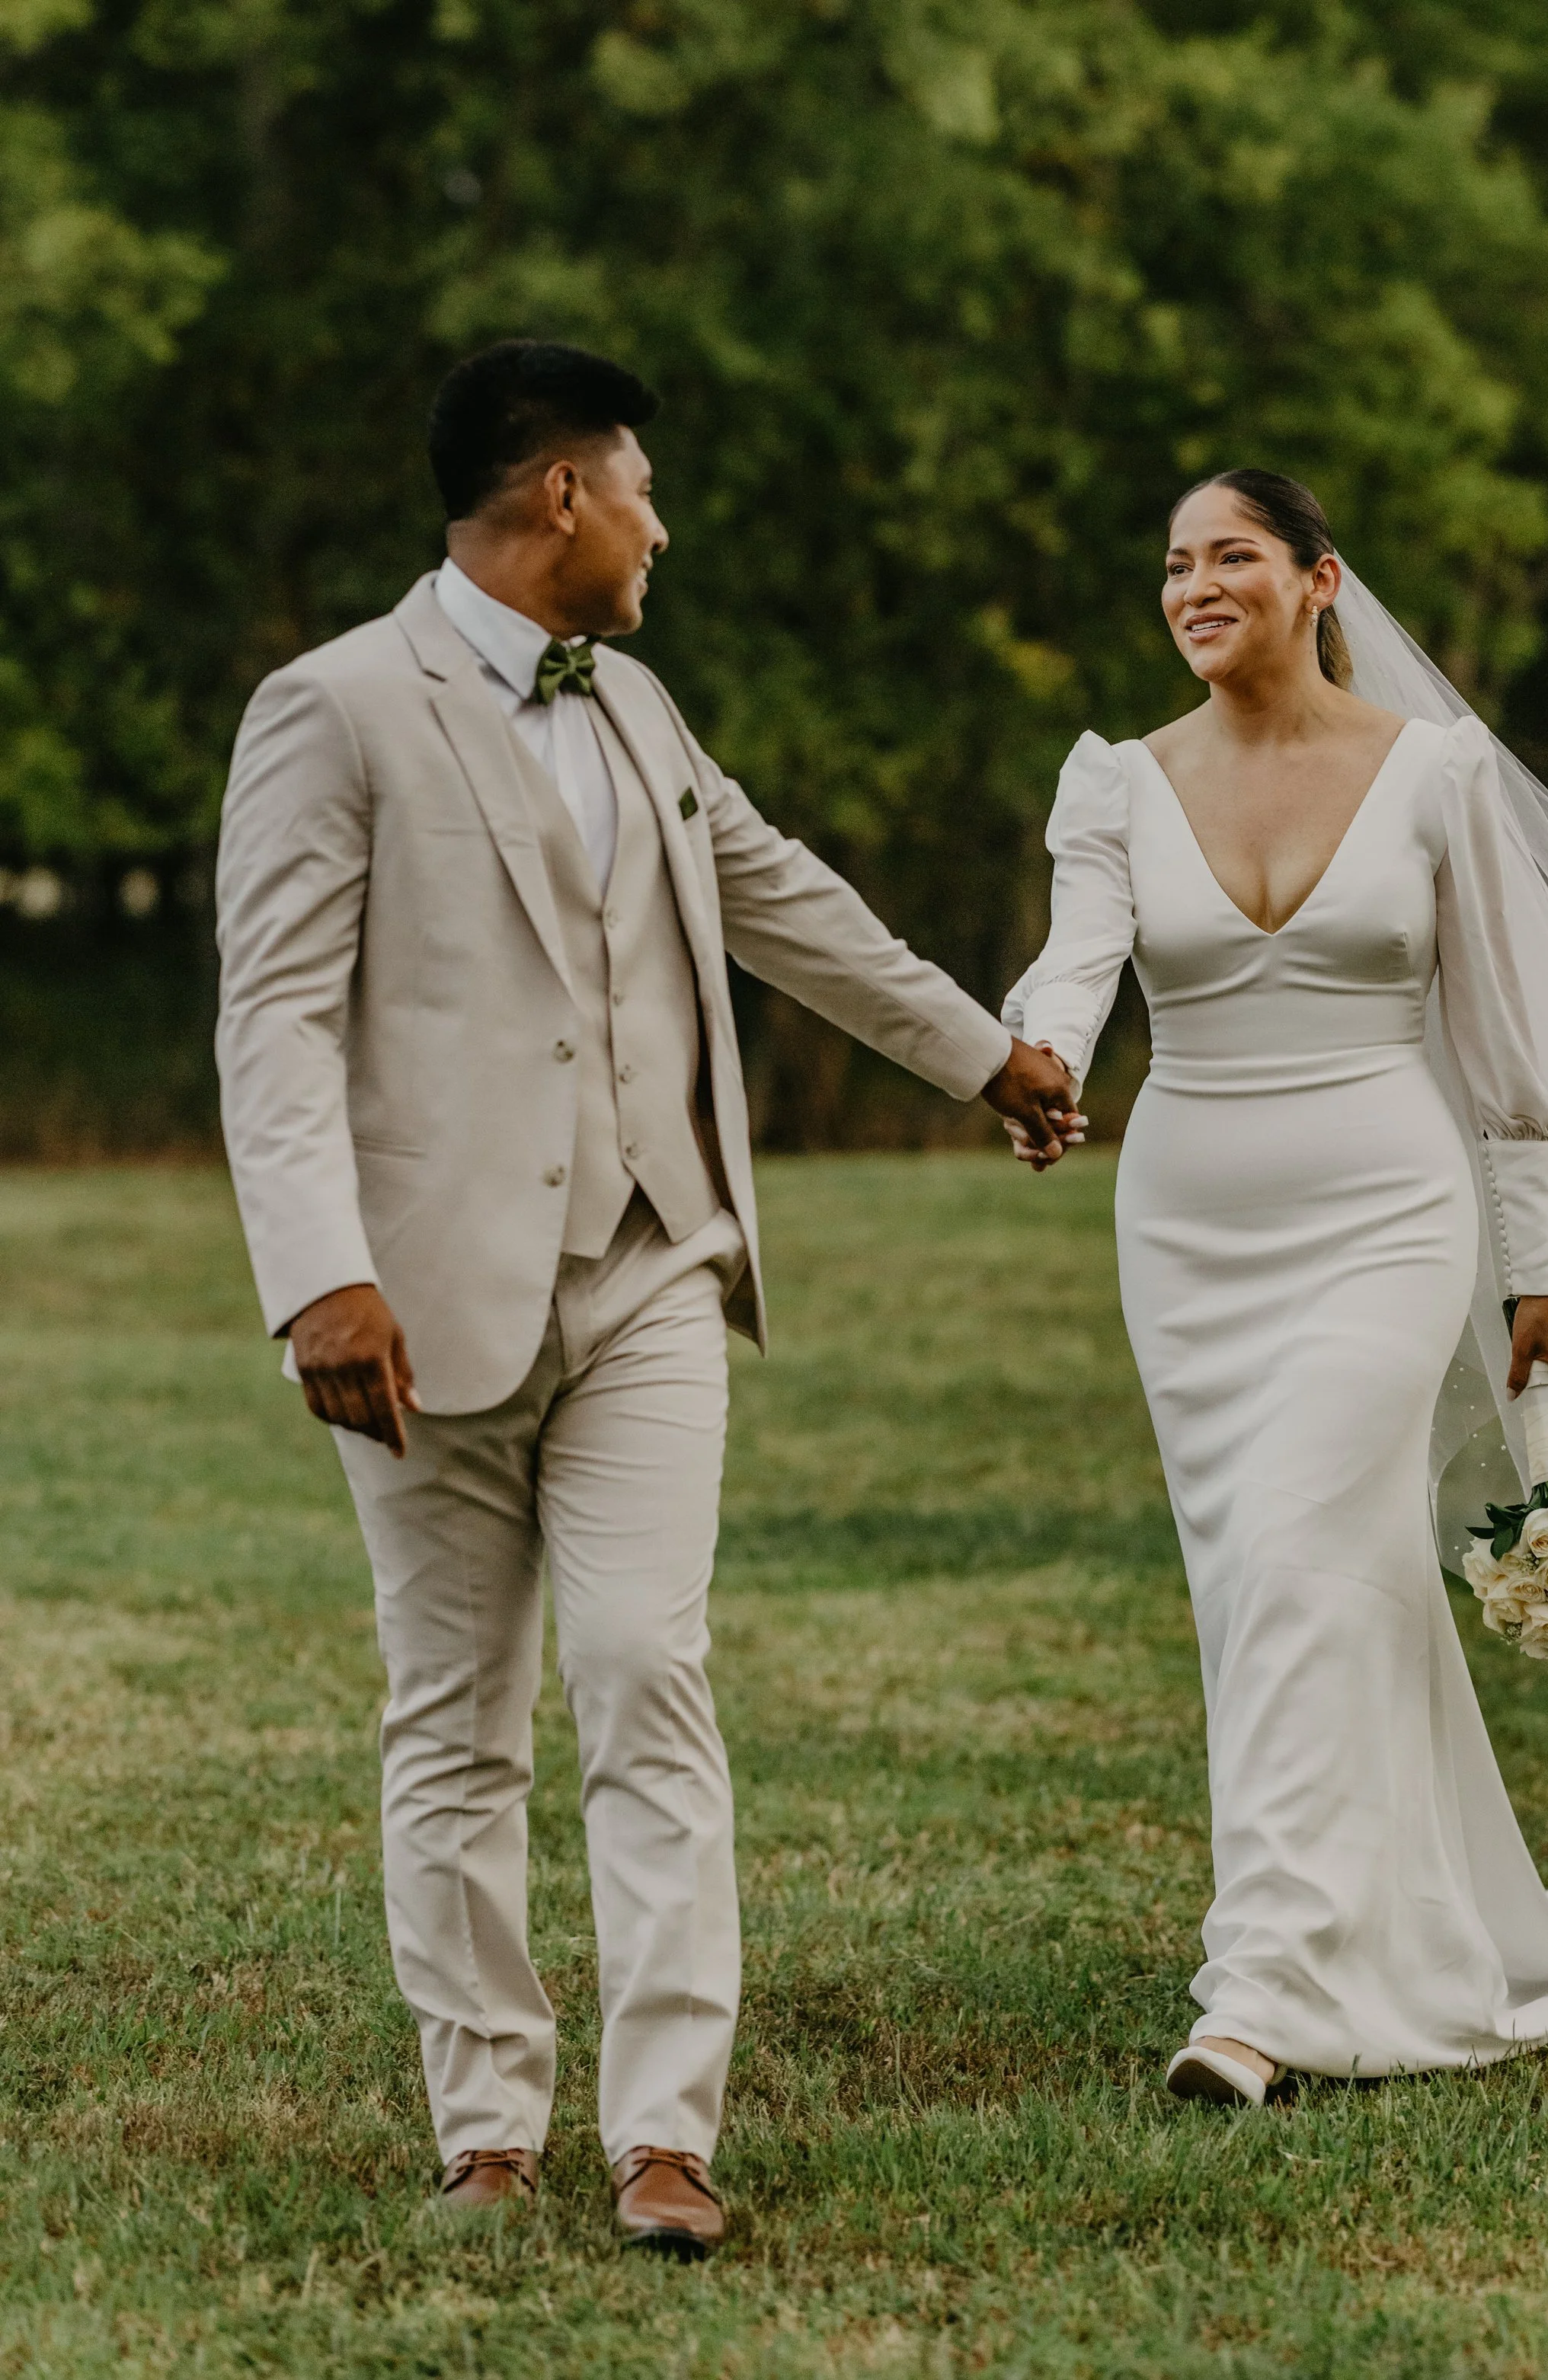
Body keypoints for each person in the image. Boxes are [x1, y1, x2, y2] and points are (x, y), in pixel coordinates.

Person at [215, 340, 1079, 2247]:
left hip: (651, 1265)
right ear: (561, 497)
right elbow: (270, 1013)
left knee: (643, 1667)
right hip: (420, 1302)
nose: (657, 530)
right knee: (455, 1715)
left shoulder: (638, 703)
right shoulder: (333, 706)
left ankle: (663, 2132)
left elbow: (778, 894)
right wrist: (320, 1275)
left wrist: (979, 1053)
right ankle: (486, 2125)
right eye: (641, 492)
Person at [1003, 467, 1548, 2105]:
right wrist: (1040, 1059)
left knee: (1297, 1546)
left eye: (1230, 555)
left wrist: (1534, 1273)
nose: (1193, 586)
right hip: (1188, 1230)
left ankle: (1256, 1989)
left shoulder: (1434, 772)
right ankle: (1388, 1918)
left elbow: (1497, 1036)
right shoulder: (1115, 781)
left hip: (1383, 1214)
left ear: (1317, 579)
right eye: (1174, 564)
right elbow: (1074, 964)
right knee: (1274, 1578)